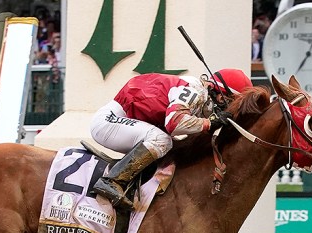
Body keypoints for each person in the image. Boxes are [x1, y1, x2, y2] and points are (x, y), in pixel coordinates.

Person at [89, 69, 252, 210]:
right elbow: (174, 123)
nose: (228, 109)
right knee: (162, 140)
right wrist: (209, 123)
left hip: (126, 121)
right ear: (221, 96)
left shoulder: (200, 97)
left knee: (167, 144)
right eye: (230, 103)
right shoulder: (194, 91)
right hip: (109, 121)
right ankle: (111, 181)